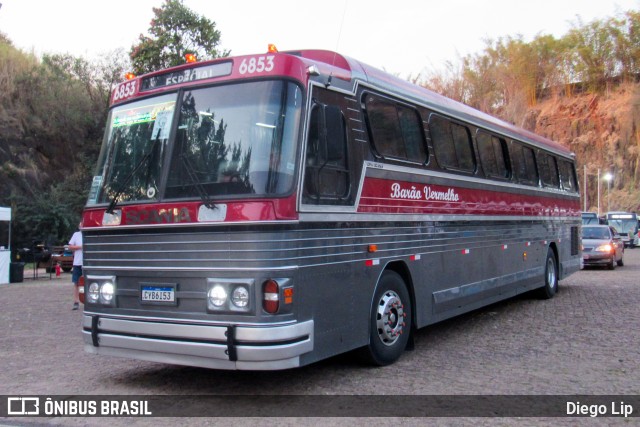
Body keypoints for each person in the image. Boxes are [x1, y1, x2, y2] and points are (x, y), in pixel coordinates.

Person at [67, 222, 83, 310]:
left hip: (87, 263)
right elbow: (70, 247)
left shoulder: (89, 235)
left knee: (88, 282)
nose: (81, 226)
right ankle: (76, 301)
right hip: (77, 262)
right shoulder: (76, 235)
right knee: (76, 283)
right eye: (80, 225)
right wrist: (80, 247)